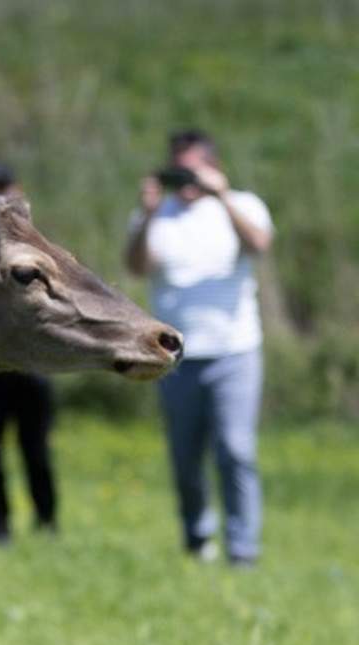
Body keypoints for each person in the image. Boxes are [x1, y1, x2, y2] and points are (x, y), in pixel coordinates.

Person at [125, 128, 272, 567]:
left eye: (194, 170)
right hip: (175, 357)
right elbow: (135, 265)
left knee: (235, 450)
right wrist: (148, 213)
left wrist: (221, 198)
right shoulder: (160, 215)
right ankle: (197, 537)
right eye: (179, 169)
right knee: (185, 456)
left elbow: (259, 244)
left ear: (214, 166)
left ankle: (243, 549)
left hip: (235, 350)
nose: (186, 180)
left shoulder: (243, 205)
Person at [0, 163, 56, 543]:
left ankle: (47, 520)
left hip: (31, 359)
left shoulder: (34, 238)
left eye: (5, 188)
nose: (0, 197)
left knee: (36, 448)